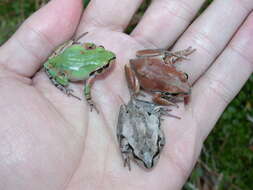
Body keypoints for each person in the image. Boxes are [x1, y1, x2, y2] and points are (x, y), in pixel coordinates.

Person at [0, 0, 252, 189]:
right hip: (84, 68)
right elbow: (93, 88)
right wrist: (86, 97)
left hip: (108, 65)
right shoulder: (91, 78)